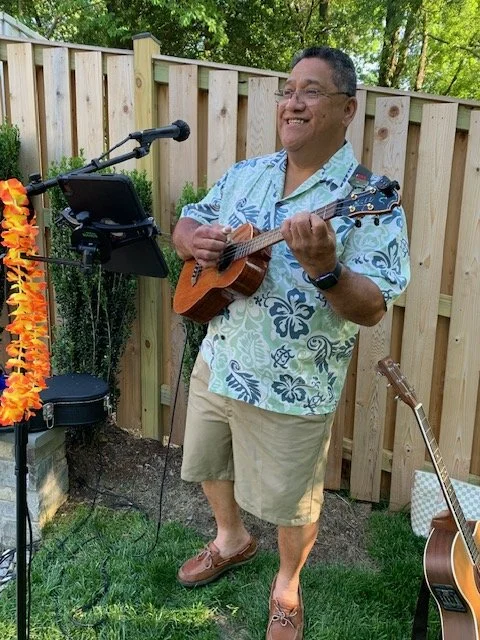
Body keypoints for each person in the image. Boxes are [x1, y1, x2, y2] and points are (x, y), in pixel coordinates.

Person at [172, 45, 410, 640]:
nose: (292, 101)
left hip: (294, 382)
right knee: (208, 461)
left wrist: (327, 268)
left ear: (347, 109)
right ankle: (231, 539)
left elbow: (374, 307)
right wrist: (196, 243)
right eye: (287, 89)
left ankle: (286, 585)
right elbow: (187, 219)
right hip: (220, 359)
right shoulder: (247, 174)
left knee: (292, 501)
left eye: (310, 91)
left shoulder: (366, 197)